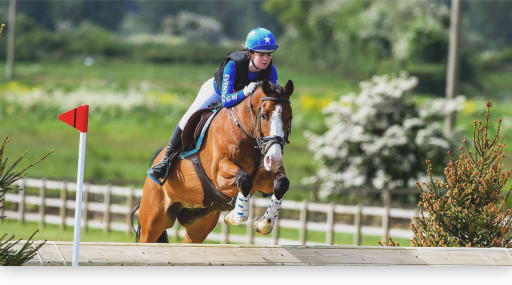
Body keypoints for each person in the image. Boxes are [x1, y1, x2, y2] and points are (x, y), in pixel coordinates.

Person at [147, 27, 279, 185]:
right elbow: (226, 101)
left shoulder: (272, 72)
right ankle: (166, 160)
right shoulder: (234, 64)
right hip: (216, 93)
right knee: (189, 116)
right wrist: (245, 92)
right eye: (261, 54)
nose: (266, 59)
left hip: (243, 103)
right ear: (250, 53)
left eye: (269, 55)